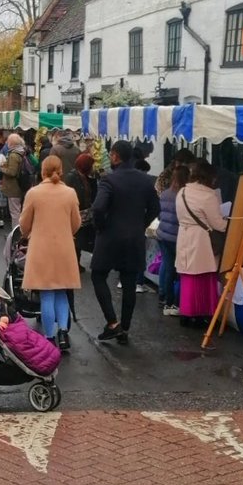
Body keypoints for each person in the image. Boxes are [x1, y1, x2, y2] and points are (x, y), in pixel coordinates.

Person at [90, 140, 160, 346]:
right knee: (129, 282)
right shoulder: (147, 180)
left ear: (114, 156)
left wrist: (101, 226)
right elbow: (155, 209)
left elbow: (98, 208)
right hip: (135, 237)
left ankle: (112, 322)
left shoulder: (109, 180)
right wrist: (141, 224)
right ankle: (125, 328)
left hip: (110, 236)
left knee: (98, 275)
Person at [19, 155, 81, 352]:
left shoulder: (34, 193)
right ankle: (63, 331)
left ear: (42, 170)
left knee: (46, 294)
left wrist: (28, 233)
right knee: (62, 291)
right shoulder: (70, 193)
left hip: (41, 248)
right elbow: (76, 223)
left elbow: (24, 225)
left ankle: (49, 336)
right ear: (61, 170)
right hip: (64, 247)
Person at [175, 159, 227, 329]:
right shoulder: (208, 196)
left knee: (187, 276)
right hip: (201, 240)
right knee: (204, 276)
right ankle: (202, 313)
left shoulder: (182, 192)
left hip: (184, 235)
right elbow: (218, 224)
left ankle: (186, 312)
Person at [157, 164, 189, 316]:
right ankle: (174, 301)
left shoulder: (165, 194)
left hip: (163, 235)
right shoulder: (183, 196)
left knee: (167, 266)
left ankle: (164, 296)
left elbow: (159, 215)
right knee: (178, 270)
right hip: (177, 236)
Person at [66, 152, 97, 268]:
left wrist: (93, 179)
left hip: (85, 214)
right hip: (75, 212)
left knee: (80, 240)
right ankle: (73, 264)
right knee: (76, 240)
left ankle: (76, 263)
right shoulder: (72, 177)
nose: (93, 168)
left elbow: (93, 193)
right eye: (91, 166)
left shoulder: (87, 177)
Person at [0, 133, 32, 229]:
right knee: (20, 210)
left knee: (15, 212)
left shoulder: (13, 155)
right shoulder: (23, 151)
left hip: (14, 186)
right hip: (23, 184)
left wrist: (1, 168)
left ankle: (16, 233)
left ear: (11, 143)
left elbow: (12, 172)